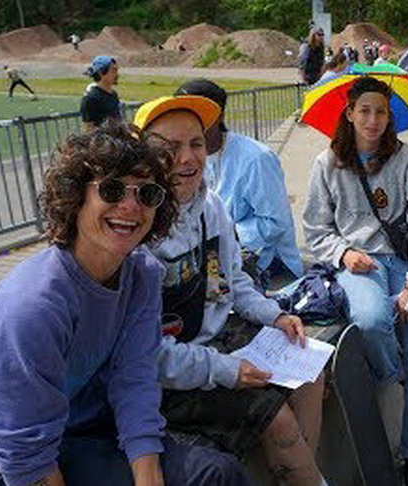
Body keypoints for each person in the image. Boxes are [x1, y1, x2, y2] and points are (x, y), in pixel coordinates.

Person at [0, 122, 252, 486]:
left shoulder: (141, 274)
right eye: (112, 190)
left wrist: (148, 478)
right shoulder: (32, 307)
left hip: (83, 421)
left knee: (218, 473)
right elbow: (21, 451)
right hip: (4, 460)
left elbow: (134, 378)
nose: (130, 206)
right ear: (75, 198)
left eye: (147, 193)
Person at [134, 96, 327, 486]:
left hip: (218, 337)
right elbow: (149, 354)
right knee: (278, 420)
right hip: (167, 372)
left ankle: (299, 469)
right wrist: (225, 370)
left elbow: (231, 281)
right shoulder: (136, 229)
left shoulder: (211, 207)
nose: (187, 158)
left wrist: (275, 314)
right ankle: (299, 466)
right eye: (170, 148)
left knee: (312, 368)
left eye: (196, 143)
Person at [302, 77, 408, 486]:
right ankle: (392, 377)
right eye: (364, 110)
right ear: (349, 113)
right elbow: (316, 228)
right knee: (370, 319)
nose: (372, 119)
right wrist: (343, 254)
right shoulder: (327, 163)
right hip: (358, 262)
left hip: (405, 261)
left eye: (381, 111)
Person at [175, 79, 303, 290]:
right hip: (209, 258)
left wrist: (220, 235)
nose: (187, 124)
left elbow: (275, 224)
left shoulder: (256, 158)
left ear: (219, 116)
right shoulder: (184, 159)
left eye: (197, 115)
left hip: (267, 264)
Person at [81, 55, 121, 132]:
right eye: (113, 71)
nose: (117, 75)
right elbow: (88, 128)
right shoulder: (91, 97)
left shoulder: (113, 94)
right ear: (101, 73)